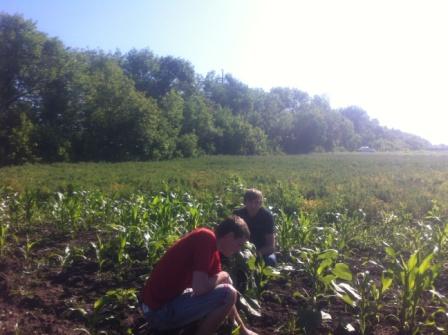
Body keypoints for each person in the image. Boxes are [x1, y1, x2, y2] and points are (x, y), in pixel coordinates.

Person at [140, 215, 258, 335]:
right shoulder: (206, 238)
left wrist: (243, 330)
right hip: (159, 312)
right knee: (228, 291)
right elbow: (201, 289)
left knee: (227, 290)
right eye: (239, 244)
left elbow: (225, 295)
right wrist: (224, 275)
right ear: (230, 236)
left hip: (159, 308)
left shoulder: (214, 252)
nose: (238, 250)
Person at [233, 189, 277, 266]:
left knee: (270, 260)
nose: (253, 206)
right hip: (241, 250)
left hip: (261, 251)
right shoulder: (238, 214)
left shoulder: (267, 217)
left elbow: (271, 247)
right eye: (250, 202)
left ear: (261, 203)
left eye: (257, 202)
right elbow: (231, 237)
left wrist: (255, 254)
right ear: (245, 202)